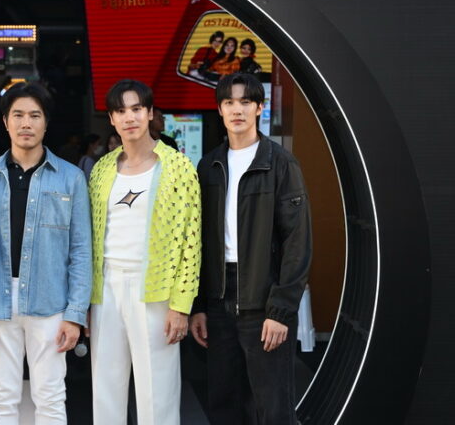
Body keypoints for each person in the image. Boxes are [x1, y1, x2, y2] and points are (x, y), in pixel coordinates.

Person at [0, 82, 92, 425]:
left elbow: (81, 251)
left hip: (51, 302)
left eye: (35, 115)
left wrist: (75, 313)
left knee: (50, 397)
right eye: (18, 115)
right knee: (1, 396)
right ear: (6, 122)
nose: (26, 123)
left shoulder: (70, 178)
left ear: (46, 123)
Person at [189, 73, 312, 425]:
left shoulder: (280, 163)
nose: (237, 110)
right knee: (225, 403)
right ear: (219, 109)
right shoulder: (209, 165)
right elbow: (198, 241)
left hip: (264, 298)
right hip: (219, 300)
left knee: (272, 407)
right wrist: (200, 307)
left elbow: (298, 241)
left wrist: (281, 309)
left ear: (259, 108)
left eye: (245, 102)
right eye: (229, 102)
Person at [88, 79, 201, 425]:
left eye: (137, 109)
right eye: (120, 111)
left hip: (156, 289)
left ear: (150, 113)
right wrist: (85, 300)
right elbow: (89, 237)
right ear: (111, 119)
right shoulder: (102, 169)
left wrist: (181, 305)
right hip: (106, 287)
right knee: (105, 387)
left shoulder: (178, 166)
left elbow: (191, 240)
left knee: (158, 390)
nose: (129, 117)